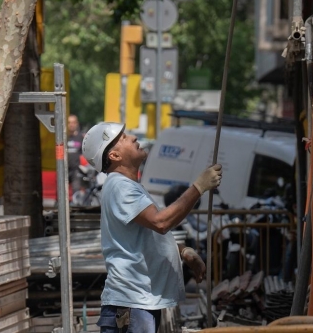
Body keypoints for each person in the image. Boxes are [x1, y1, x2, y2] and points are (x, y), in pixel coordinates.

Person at [81, 122, 222, 333]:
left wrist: (183, 250)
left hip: (137, 302)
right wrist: (199, 187)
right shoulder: (120, 186)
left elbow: (148, 233)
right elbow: (161, 222)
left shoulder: (129, 186)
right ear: (115, 156)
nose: (133, 138)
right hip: (131, 302)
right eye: (123, 138)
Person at [66, 115, 85, 191]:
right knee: (60, 193)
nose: (71, 124)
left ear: (77, 124)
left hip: (76, 169)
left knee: (76, 192)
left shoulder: (81, 137)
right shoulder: (63, 137)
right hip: (64, 169)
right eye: (69, 122)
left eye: (73, 122)